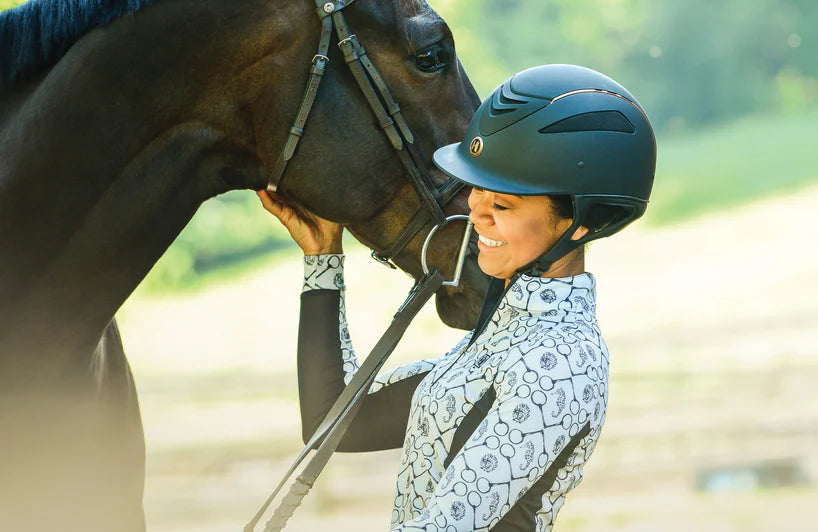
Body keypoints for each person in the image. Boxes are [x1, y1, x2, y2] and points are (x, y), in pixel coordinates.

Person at [258, 63, 656, 530]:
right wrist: (323, 258)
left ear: (582, 222)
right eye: (477, 189)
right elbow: (337, 421)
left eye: (503, 204)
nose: (476, 212)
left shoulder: (561, 359)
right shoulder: (504, 339)